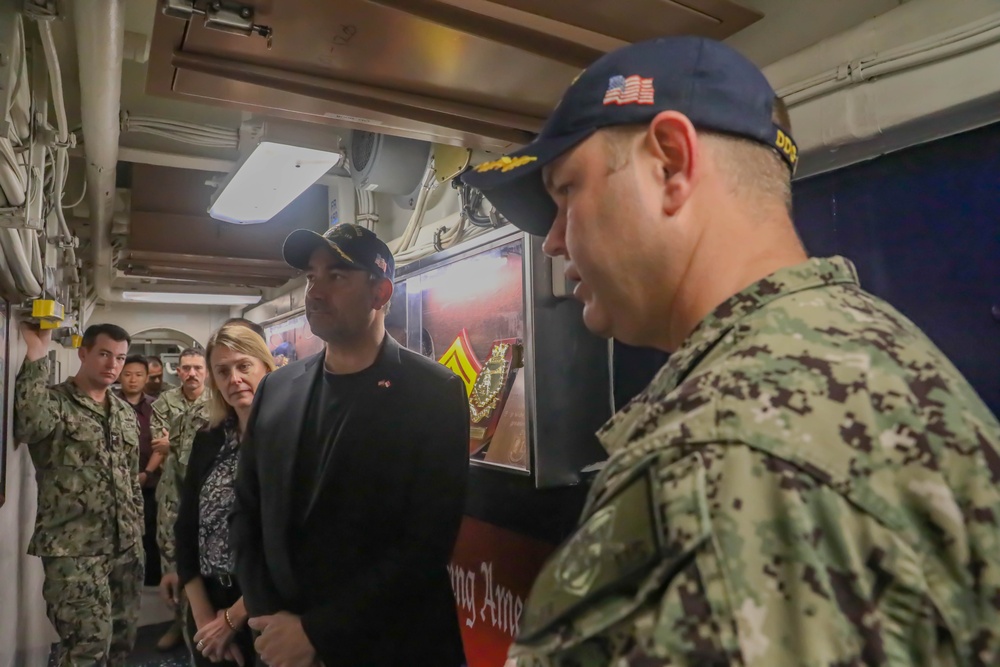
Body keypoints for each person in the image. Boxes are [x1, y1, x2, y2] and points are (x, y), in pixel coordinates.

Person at [462, 36, 1000, 667]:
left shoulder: (719, 455)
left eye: (564, 192)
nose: (553, 243)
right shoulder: (873, 348)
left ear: (670, 164)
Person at [230, 223, 470, 667]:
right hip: (283, 645)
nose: (315, 291)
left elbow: (426, 545)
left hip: (390, 647)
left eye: (337, 276)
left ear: (380, 293)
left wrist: (317, 633)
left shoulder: (433, 392)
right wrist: (270, 619)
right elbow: (246, 510)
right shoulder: (277, 390)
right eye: (311, 276)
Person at [14, 323, 144, 666]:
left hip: (125, 547)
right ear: (83, 353)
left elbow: (131, 480)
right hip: (74, 551)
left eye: (120, 357)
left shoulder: (124, 414)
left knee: (122, 640)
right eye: (104, 354)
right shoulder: (56, 402)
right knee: (87, 646)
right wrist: (37, 355)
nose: (112, 365)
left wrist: (138, 533)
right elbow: (28, 425)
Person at [176, 325, 275, 667]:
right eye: (222, 371)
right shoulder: (210, 438)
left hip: (267, 606)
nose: (234, 378)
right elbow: (186, 526)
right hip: (209, 599)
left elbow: (292, 540)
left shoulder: (289, 437)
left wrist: (232, 620)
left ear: (265, 367)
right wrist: (205, 619)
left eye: (243, 366)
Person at [152, 347, 211, 651]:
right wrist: (180, 446)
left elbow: (173, 446)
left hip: (205, 497)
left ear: (206, 370)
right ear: (178, 370)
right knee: (172, 564)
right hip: (173, 494)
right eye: (186, 368)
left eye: (197, 368)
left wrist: (173, 443)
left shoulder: (216, 402)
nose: (191, 373)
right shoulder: (165, 402)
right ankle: (178, 622)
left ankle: (201, 631)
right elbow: (158, 445)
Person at [115, 354, 164, 585]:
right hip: (117, 483)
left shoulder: (157, 407)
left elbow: (162, 443)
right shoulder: (109, 403)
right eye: (127, 374)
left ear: (146, 378)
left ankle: (152, 580)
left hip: (150, 481)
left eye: (138, 375)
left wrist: (146, 473)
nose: (132, 380)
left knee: (152, 530)